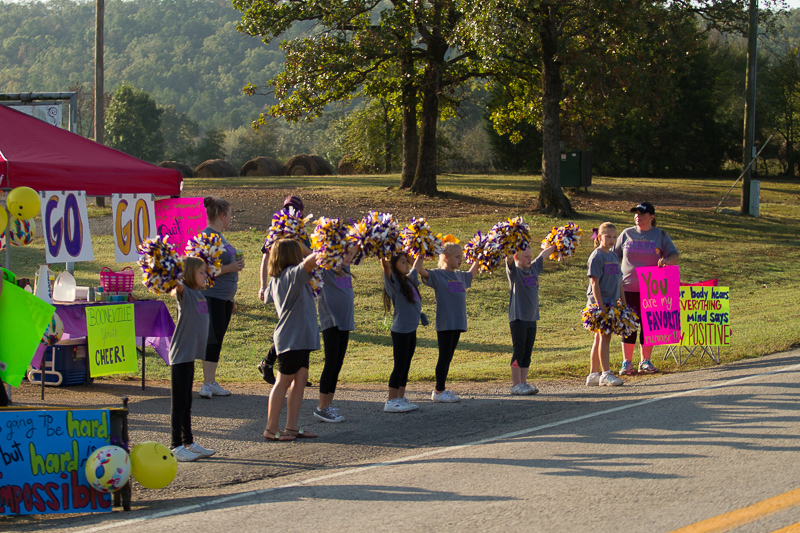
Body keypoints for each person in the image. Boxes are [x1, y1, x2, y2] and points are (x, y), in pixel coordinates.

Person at [262, 239, 319, 441]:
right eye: (298, 253)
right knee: (283, 381)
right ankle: (270, 428)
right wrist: (318, 246)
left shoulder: (282, 278)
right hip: (292, 337)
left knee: (300, 379)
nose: (302, 256)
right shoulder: (290, 275)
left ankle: (292, 427)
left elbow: (265, 295)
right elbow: (312, 261)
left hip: (300, 337)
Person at [614, 202, 679, 376]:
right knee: (629, 325)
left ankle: (645, 361)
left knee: (649, 325)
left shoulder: (659, 235)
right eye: (636, 213)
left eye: (642, 214)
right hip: (627, 287)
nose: (638, 216)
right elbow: (614, 256)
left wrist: (667, 261)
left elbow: (674, 254)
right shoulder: (626, 234)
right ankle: (627, 362)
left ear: (651, 216)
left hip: (652, 288)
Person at [416, 242, 479, 403]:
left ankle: (441, 388)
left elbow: (472, 274)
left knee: (449, 356)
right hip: (445, 322)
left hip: (458, 322)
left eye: (462, 257)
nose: (461, 260)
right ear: (445, 257)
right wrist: (421, 254)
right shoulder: (438, 275)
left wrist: (479, 258)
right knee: (444, 357)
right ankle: (438, 391)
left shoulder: (460, 276)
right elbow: (419, 271)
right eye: (457, 257)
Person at [168, 257, 217, 461]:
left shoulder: (199, 294)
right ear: (189, 274)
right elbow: (175, 283)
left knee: (187, 401)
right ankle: (175, 445)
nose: (205, 275)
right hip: (181, 354)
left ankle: (188, 441)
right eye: (201, 272)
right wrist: (167, 266)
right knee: (178, 402)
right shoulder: (185, 293)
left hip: (190, 356)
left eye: (205, 272)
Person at [200, 196, 245, 399]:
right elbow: (203, 271)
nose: (231, 218)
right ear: (221, 215)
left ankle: (211, 381)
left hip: (224, 297)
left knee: (217, 338)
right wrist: (231, 268)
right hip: (212, 296)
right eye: (229, 214)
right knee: (212, 338)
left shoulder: (219, 236)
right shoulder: (208, 236)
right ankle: (207, 383)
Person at [258, 195, 306, 385]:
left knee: (299, 327)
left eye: (294, 208)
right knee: (288, 326)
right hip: (281, 284)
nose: (290, 211)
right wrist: (263, 285)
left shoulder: (301, 232)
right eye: (287, 207)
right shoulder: (276, 230)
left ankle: (298, 371)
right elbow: (265, 258)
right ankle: (270, 363)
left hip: (299, 283)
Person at [505, 243, 556, 395]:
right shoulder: (515, 273)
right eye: (526, 257)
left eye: (530, 257)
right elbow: (507, 260)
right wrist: (509, 242)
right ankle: (516, 385)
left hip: (532, 317)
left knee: (528, 352)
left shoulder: (533, 268)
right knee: (518, 351)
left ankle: (524, 383)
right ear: (516, 257)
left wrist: (557, 243)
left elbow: (543, 255)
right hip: (518, 318)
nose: (529, 259)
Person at [314, 245, 357, 423]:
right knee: (330, 363)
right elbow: (313, 254)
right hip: (331, 321)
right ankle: (321, 407)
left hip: (345, 322)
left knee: (338, 364)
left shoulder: (346, 269)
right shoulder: (327, 266)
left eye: (352, 254)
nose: (349, 256)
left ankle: (328, 405)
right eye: (347, 252)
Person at [381, 252, 424, 413]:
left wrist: (420, 246)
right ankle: (391, 400)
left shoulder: (410, 279)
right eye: (403, 262)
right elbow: (385, 266)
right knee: (399, 365)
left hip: (411, 329)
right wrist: (384, 254)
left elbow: (417, 264)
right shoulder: (394, 282)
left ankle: (400, 397)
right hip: (400, 330)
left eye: (407, 262)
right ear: (394, 265)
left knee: (406, 364)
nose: (407, 264)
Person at [585, 223, 625, 387]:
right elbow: (594, 283)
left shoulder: (614, 256)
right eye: (608, 236)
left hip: (613, 302)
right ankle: (605, 374)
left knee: (599, 338)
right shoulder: (597, 256)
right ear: (599, 237)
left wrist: (623, 301)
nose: (612, 240)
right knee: (604, 337)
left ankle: (594, 374)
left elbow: (620, 281)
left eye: (614, 237)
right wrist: (600, 306)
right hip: (600, 303)